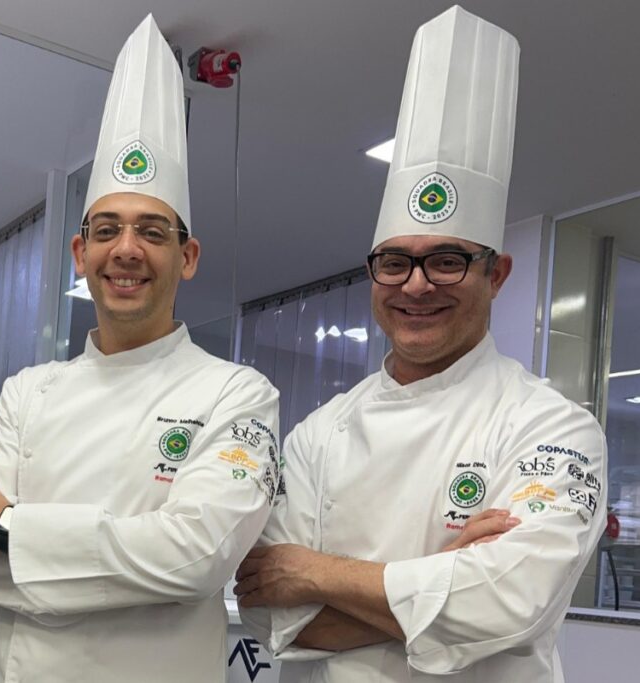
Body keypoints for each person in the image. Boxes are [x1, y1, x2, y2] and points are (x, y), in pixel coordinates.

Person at [235, 7, 607, 682]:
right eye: (395, 262)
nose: (416, 285)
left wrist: (316, 572)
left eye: (447, 260)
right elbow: (267, 610)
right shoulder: (318, 434)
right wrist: (446, 578)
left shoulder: (553, 427)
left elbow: (511, 603)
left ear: (496, 274)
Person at [0, 15, 281, 683]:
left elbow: (197, 558)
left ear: (188, 256)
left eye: (152, 231)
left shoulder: (237, 394)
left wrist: (9, 531)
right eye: (107, 229)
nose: (127, 249)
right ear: (79, 252)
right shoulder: (27, 392)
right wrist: (127, 567)